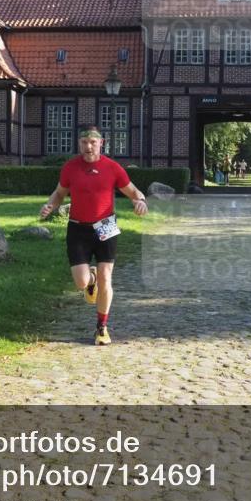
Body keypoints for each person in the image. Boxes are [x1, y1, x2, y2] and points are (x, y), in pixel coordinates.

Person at [40, 125, 148, 345]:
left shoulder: (113, 168)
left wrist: (140, 201)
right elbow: (60, 193)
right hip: (78, 228)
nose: (88, 146)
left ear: (101, 143)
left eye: (92, 142)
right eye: (84, 142)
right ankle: (91, 280)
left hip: (106, 226)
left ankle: (102, 328)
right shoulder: (70, 168)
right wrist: (50, 205)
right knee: (80, 283)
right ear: (79, 143)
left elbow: (134, 191)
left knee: (107, 276)